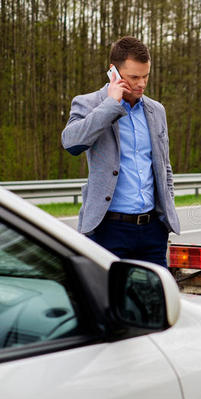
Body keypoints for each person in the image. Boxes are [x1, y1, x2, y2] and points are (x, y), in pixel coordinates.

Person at [62, 36, 180, 267]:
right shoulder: (88, 103)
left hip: (153, 232)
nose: (142, 84)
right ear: (113, 72)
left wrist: (167, 211)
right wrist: (110, 105)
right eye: (134, 77)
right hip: (108, 230)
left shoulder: (157, 111)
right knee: (109, 302)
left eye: (146, 76)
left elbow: (164, 166)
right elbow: (71, 143)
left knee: (153, 301)